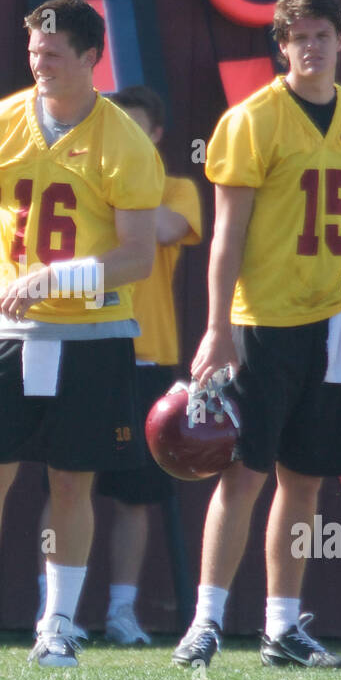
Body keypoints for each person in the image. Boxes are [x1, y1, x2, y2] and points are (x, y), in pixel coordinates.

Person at [0, 0, 163, 668]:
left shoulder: (124, 140)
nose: (38, 64)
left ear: (88, 57)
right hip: (10, 331)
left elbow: (137, 254)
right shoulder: (2, 121)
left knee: (73, 481)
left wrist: (56, 279)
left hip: (92, 334)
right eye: (32, 52)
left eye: (52, 53)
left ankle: (57, 625)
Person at [172, 0, 341, 670]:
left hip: (334, 318)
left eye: (321, 35)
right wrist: (216, 327)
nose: (311, 47)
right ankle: (207, 620)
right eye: (298, 37)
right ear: (281, 46)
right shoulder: (251, 119)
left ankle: (281, 625)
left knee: (305, 479)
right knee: (244, 473)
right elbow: (227, 235)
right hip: (263, 320)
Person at [32, 85, 202, 645]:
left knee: (136, 493)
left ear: (154, 136)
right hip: (81, 340)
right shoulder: (82, 178)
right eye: (115, 127)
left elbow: (160, 231)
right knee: (65, 485)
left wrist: (120, 186)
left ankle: (122, 612)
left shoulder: (177, 189)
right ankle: (54, 612)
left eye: (134, 128)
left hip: (147, 354)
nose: (120, 137)